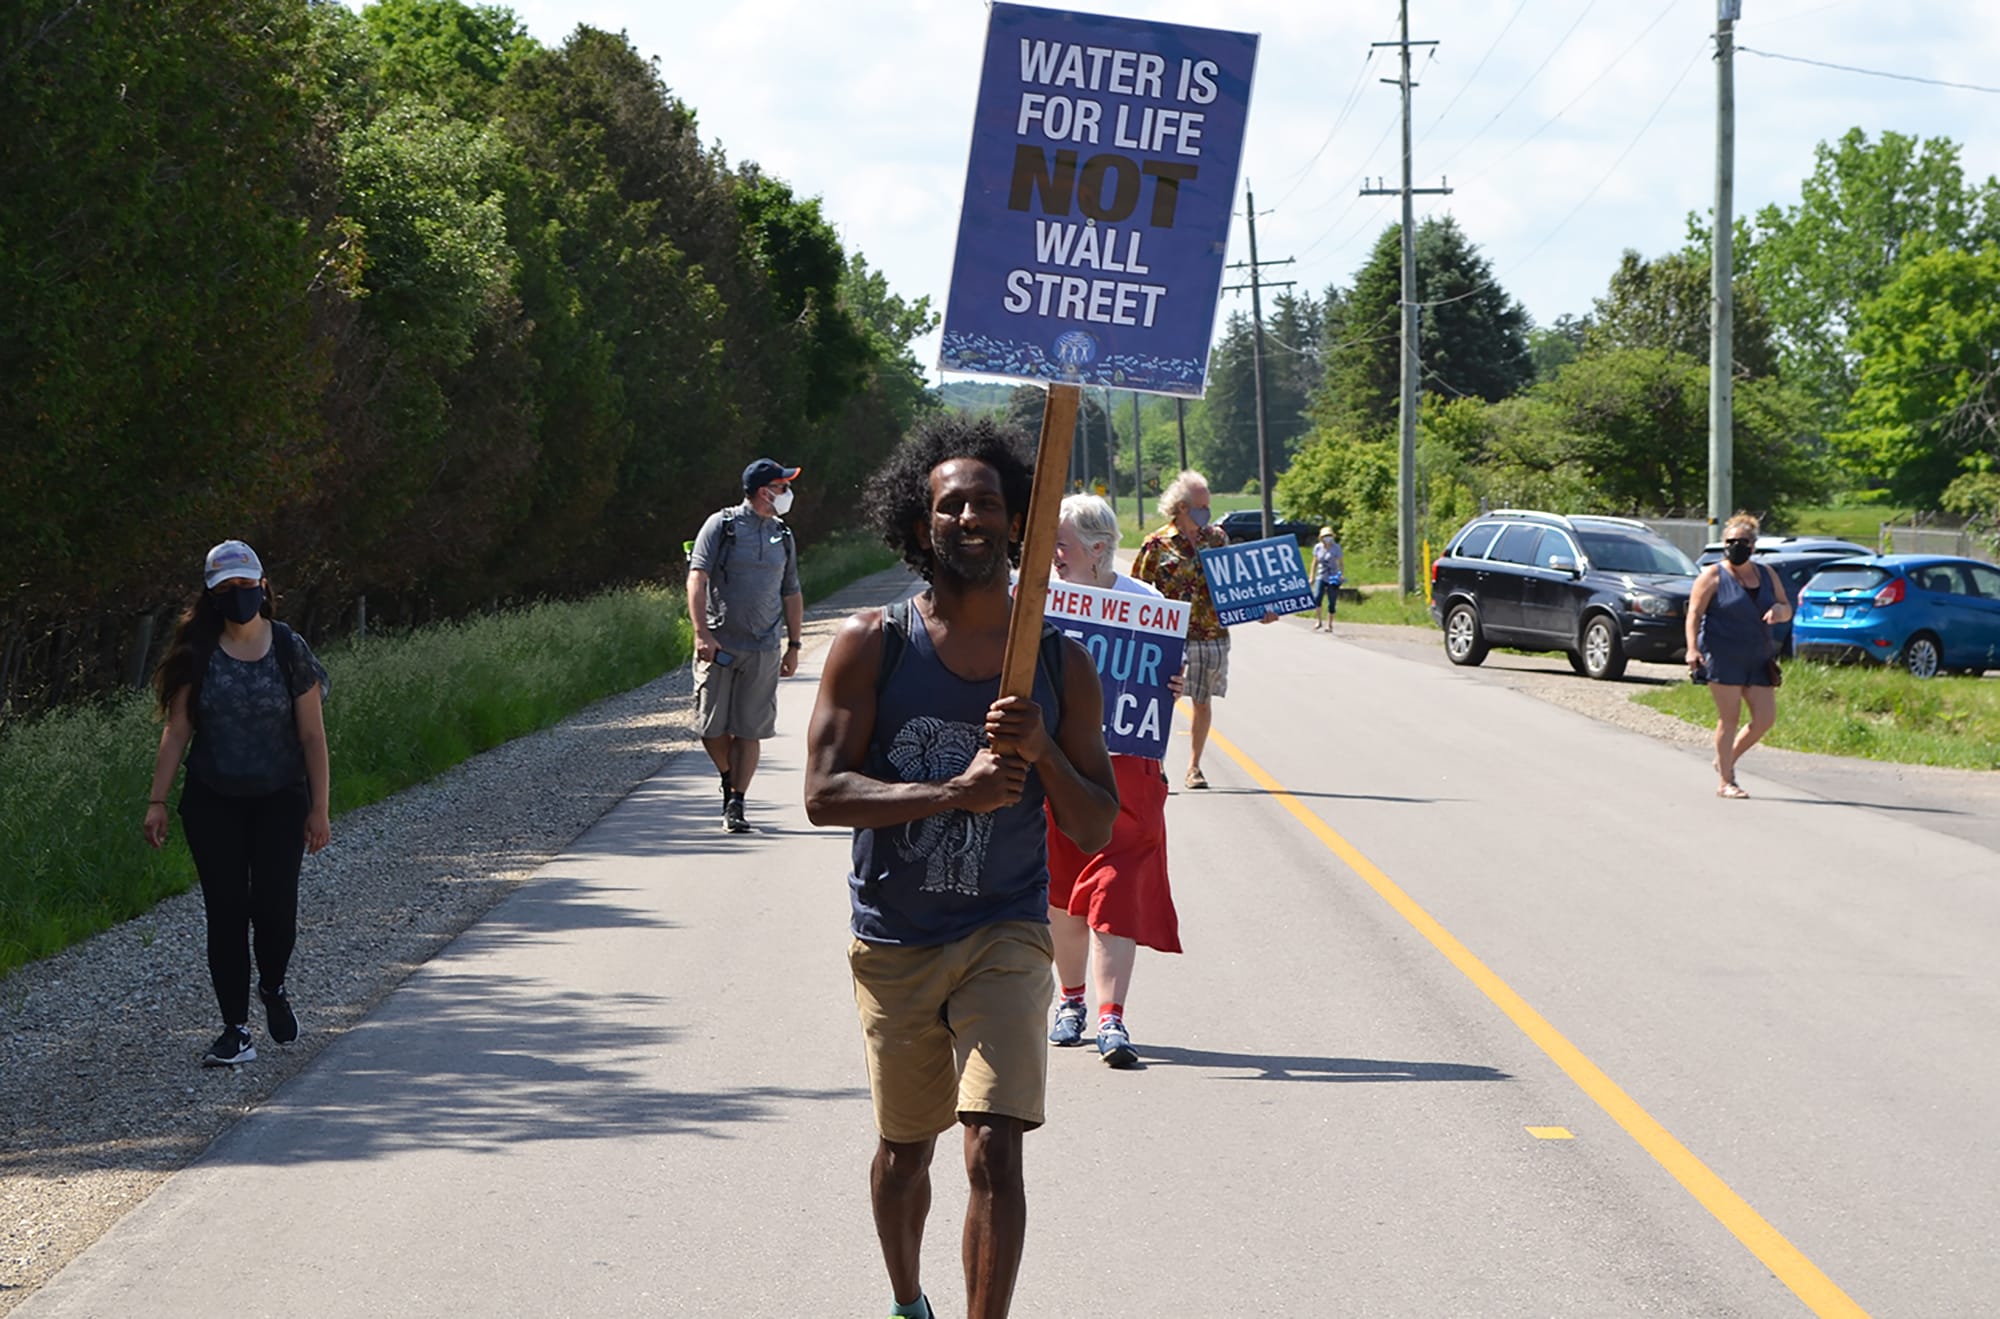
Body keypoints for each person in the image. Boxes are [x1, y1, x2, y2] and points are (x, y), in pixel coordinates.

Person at [804, 416, 1118, 1319]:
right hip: (895, 938)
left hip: (1006, 931)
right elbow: (824, 794)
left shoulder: (1061, 661)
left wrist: (1044, 753)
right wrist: (953, 793)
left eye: (986, 501)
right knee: (907, 1152)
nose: (969, 516)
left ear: (1017, 522)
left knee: (994, 1147)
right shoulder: (874, 643)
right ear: (918, 526)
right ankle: (908, 1301)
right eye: (949, 505)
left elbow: (1096, 825)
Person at [143, 540, 330, 1067]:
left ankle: (272, 986)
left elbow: (313, 736)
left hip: (280, 799)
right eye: (227, 589)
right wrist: (157, 800)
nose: (239, 596)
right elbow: (177, 732)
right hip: (213, 801)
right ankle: (235, 1030)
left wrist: (320, 808)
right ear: (211, 596)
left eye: (246, 587)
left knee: (273, 908)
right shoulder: (196, 655)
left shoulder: (289, 648)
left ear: (263, 588)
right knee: (225, 912)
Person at [1043, 495, 1181, 1069]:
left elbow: (1167, 679)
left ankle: (1110, 1017)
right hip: (1059, 768)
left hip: (1129, 773)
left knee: (1114, 892)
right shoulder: (1040, 605)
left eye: (1063, 545)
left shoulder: (1148, 606)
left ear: (1098, 551)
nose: (1053, 556)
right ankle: (1070, 1003)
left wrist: (1172, 684)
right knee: (1062, 897)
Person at [1131, 470, 1272, 789]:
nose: (1205, 511)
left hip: (1211, 634)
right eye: (1200, 505)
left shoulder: (1217, 538)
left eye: (1207, 505)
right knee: (1161, 700)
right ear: (1182, 507)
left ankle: (1194, 767)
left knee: (1203, 700)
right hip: (1169, 637)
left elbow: (1237, 586)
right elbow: (1137, 591)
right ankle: (1157, 764)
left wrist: (1259, 610)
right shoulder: (1156, 545)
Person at [687, 458, 805, 833]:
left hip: (764, 648)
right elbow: (697, 578)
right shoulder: (720, 526)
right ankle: (727, 775)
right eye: (783, 486)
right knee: (711, 728)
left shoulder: (783, 535)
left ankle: (736, 801)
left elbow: (792, 592)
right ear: (763, 490)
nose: (788, 493)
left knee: (750, 730)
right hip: (719, 645)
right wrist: (701, 633)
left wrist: (795, 645)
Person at [1685, 512, 1792, 799]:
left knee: (1765, 718)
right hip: (1722, 655)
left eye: (1742, 542)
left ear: (1753, 546)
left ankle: (1725, 759)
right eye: (1730, 541)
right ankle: (1726, 781)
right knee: (1729, 718)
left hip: (1758, 656)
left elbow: (1786, 606)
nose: (1736, 546)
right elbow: (1694, 613)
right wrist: (1692, 648)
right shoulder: (1712, 575)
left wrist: (1780, 612)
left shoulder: (1766, 574)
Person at [1310, 526, 1345, 631]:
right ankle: (1319, 621)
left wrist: (1340, 575)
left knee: (1332, 601)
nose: (1328, 538)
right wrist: (1311, 576)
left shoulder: (1336, 548)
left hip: (1333, 576)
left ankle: (1329, 624)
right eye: (1326, 536)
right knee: (1317, 598)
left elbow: (1340, 563)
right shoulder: (1318, 547)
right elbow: (1314, 562)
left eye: (1329, 536)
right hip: (1321, 575)